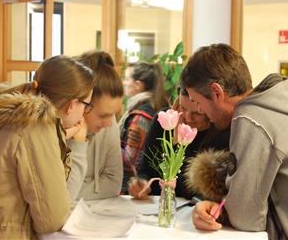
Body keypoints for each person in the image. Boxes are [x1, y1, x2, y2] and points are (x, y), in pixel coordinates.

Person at [181, 43, 288, 239]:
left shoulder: (250, 117)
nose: (200, 112)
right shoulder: (277, 106)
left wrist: (220, 212)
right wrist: (220, 208)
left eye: (198, 102)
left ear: (216, 92)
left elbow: (246, 218)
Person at [0, 55, 94, 239]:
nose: (85, 113)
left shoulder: (6, 118)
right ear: (72, 105)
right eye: (87, 105)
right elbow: (52, 218)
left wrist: (58, 139)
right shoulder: (37, 128)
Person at [128, 84, 230, 199]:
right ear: (176, 103)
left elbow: (190, 189)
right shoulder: (165, 120)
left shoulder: (219, 133)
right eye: (183, 108)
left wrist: (179, 140)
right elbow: (145, 166)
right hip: (155, 205)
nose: (188, 118)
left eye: (197, 113)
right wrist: (141, 182)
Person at [67, 50, 124, 201]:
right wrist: (78, 142)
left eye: (114, 114)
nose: (110, 122)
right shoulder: (57, 130)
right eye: (103, 115)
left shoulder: (109, 126)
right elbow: (59, 196)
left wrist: (75, 190)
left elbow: (113, 183)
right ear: (81, 104)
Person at [119, 62, 168, 193]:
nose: (124, 83)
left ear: (138, 84)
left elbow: (130, 158)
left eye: (127, 79)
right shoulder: (152, 107)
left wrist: (107, 147)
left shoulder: (140, 116)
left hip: (131, 187)